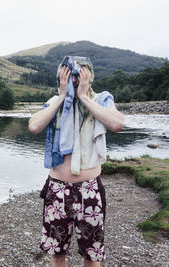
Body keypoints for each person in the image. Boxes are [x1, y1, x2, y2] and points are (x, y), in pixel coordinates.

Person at [28, 56, 124, 267]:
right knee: (57, 252)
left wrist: (84, 97)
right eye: (68, 76)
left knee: (91, 253)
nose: (73, 80)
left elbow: (117, 123)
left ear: (88, 75)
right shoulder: (55, 101)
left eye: (78, 75)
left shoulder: (101, 99)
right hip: (57, 188)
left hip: (89, 189)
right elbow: (34, 126)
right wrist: (63, 97)